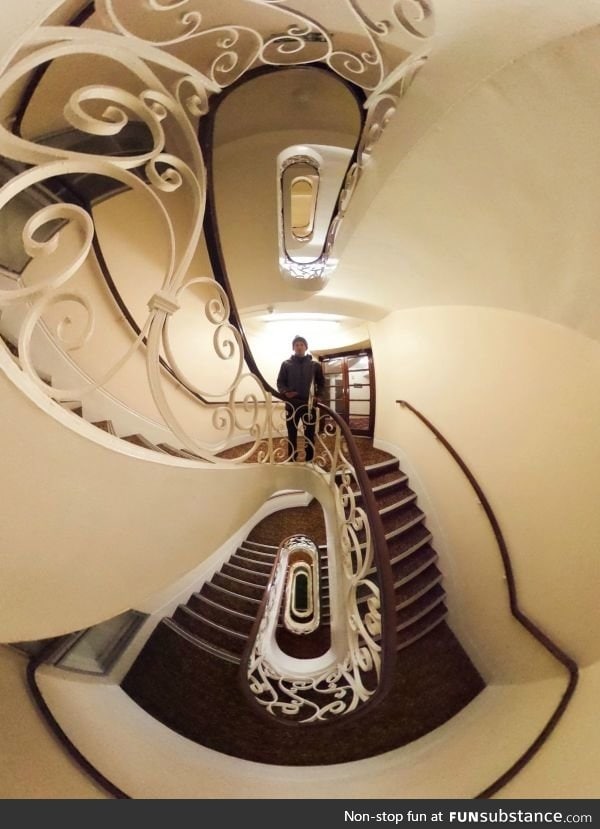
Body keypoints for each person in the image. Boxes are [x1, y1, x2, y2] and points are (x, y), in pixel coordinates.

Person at [276, 335, 325, 462]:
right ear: (293, 348)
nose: (299, 347)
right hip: (291, 405)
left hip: (309, 405)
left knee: (309, 434)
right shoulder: (286, 364)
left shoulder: (315, 365)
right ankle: (292, 458)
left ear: (306, 347)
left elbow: (321, 383)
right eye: (296, 344)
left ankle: (309, 459)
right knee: (291, 433)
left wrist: (319, 396)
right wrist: (286, 392)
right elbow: (280, 382)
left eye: (301, 344)